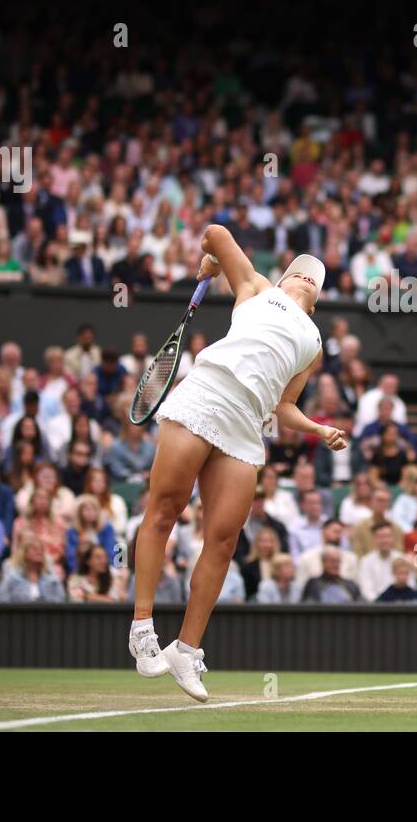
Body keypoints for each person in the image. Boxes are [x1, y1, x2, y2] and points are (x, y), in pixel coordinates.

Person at [129, 228, 347, 701]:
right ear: (286, 277)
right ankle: (142, 627)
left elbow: (284, 408)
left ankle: (186, 651)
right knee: (165, 510)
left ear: (316, 304)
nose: (306, 278)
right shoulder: (254, 285)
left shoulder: (312, 342)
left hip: (247, 425)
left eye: (315, 280)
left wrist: (317, 428)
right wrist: (212, 260)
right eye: (301, 273)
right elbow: (214, 232)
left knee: (224, 540)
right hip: (206, 395)